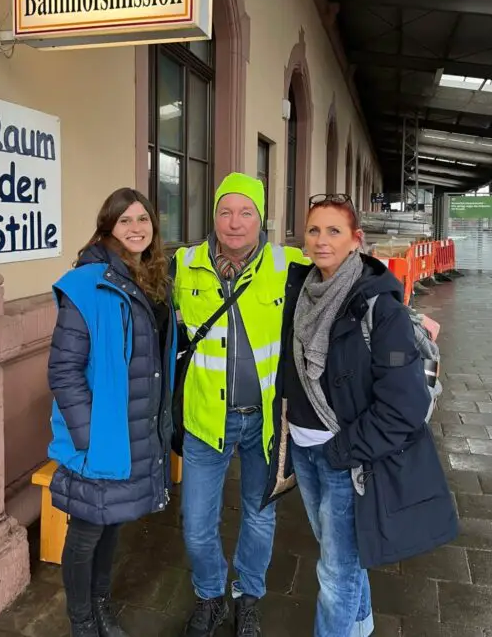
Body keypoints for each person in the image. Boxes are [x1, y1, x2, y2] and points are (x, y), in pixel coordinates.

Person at [263, 194, 458, 637]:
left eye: (334, 231)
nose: (321, 240)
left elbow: (404, 404)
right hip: (306, 451)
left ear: (356, 240)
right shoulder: (303, 289)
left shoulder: (378, 306)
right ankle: (362, 625)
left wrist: (344, 450)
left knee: (335, 571)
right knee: (341, 559)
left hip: (345, 459)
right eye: (314, 230)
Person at [172, 172, 310, 637]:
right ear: (213, 216)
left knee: (259, 515)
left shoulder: (287, 263)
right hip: (206, 421)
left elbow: (337, 280)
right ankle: (210, 594)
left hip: (266, 423)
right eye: (225, 211)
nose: (234, 222)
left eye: (245, 212)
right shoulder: (183, 265)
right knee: (195, 524)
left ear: (261, 218)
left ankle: (247, 597)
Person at [47, 188, 177, 637]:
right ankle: (82, 622)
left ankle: (101, 608)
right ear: (107, 227)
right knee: (86, 532)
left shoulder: (151, 277)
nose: (137, 228)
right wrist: (90, 436)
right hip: (104, 435)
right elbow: (63, 370)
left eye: (144, 219)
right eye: (126, 221)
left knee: (111, 523)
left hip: (136, 429)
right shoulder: (87, 284)